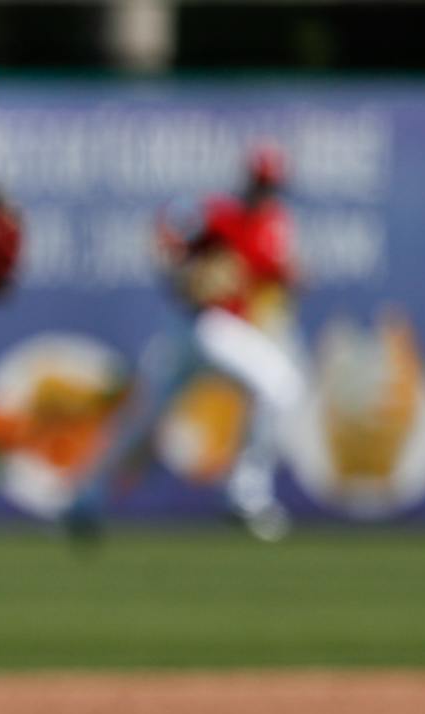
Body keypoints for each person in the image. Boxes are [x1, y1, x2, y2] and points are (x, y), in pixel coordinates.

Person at [64, 144, 303, 542]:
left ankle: (86, 500)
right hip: (205, 325)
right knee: (280, 386)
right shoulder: (223, 215)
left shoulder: (271, 227)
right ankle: (243, 493)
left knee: (147, 418)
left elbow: (284, 276)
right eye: (261, 184)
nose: (265, 192)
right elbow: (169, 225)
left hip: (217, 331)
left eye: (271, 186)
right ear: (248, 181)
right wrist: (180, 272)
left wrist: (288, 273)